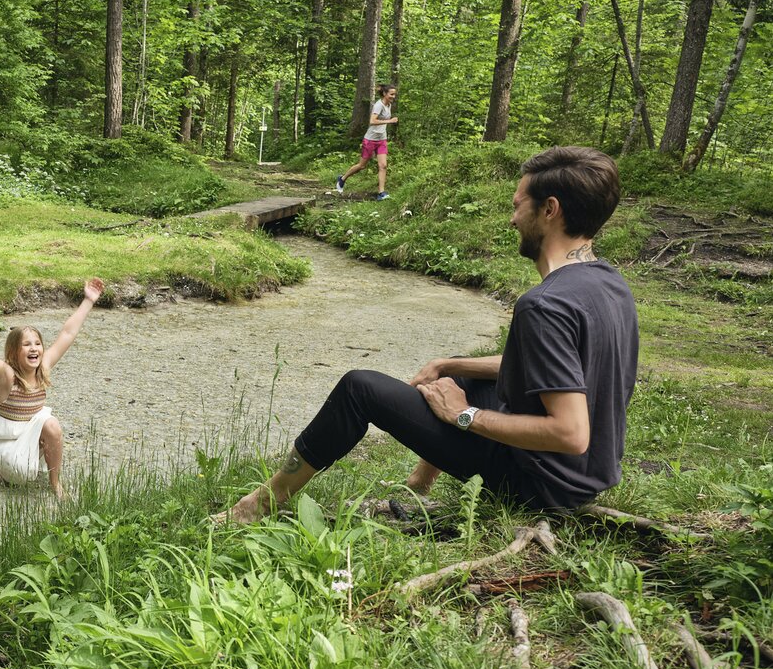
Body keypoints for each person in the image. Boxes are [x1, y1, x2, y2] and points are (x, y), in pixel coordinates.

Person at [217, 146, 638, 524]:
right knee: (465, 377)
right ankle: (417, 487)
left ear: (550, 209)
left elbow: (570, 432)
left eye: (517, 206)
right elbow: (551, 369)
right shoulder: (608, 284)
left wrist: (463, 416)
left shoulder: (543, 305)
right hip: (587, 476)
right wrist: (448, 365)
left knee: (358, 388)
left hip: (540, 485)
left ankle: (261, 504)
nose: (512, 219)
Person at [0, 278, 105, 499]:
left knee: (49, 423)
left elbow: (67, 334)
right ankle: (6, 470)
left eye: (37, 343)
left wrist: (88, 301)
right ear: (14, 353)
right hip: (9, 452)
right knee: (44, 431)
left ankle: (55, 484)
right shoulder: (7, 376)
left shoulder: (42, 368)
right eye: (26, 344)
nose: (34, 348)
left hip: (21, 445)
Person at [337, 84, 398, 200]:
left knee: (383, 165)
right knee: (362, 166)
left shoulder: (388, 105)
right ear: (385, 94)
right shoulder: (378, 105)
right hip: (370, 140)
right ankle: (342, 178)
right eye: (391, 94)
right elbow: (372, 121)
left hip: (382, 140)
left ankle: (381, 193)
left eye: (394, 94)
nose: (393, 97)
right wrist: (390, 121)